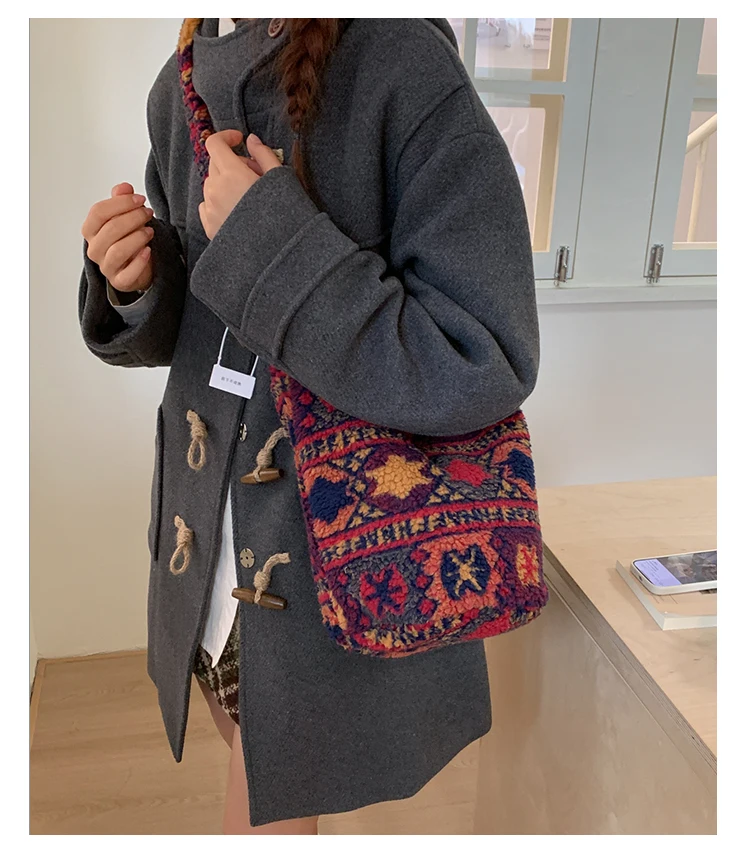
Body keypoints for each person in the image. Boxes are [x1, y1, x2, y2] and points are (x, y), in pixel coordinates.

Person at [78, 18, 540, 834]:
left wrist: (272, 239)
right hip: (205, 548)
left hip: (337, 561)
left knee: (271, 790)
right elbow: (202, 326)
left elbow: (483, 357)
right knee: (253, 758)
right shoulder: (176, 86)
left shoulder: (400, 62)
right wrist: (135, 282)